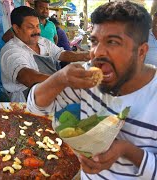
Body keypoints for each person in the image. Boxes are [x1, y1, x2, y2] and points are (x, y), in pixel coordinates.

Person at [27, 1, 156, 179]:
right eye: (94, 41)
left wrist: (126, 150)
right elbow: (36, 109)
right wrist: (59, 79)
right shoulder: (86, 77)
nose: (97, 53)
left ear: (141, 52)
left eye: (112, 42)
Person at [0, 6, 89, 102]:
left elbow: (61, 54)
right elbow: (27, 77)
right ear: (16, 28)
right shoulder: (10, 51)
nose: (37, 31)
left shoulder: (42, 41)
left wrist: (86, 55)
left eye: (37, 26)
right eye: (30, 27)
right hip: (28, 103)